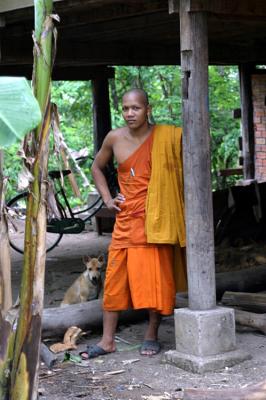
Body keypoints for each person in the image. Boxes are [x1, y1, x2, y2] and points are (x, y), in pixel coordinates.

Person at [82, 88, 186, 358]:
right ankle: (107, 341)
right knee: (114, 280)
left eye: (136, 108)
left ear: (147, 109)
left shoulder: (166, 137)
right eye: (126, 108)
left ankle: (151, 334)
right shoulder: (115, 138)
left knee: (155, 280)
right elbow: (96, 167)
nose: (130, 113)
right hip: (126, 219)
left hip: (155, 219)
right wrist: (107, 199)